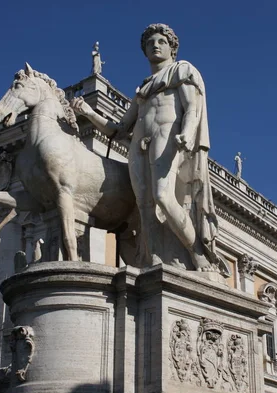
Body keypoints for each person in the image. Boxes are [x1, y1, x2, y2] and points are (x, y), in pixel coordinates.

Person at [71, 24, 217, 271]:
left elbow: (192, 107)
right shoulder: (144, 89)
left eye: (161, 41)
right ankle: (153, 260)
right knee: (145, 207)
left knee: (162, 195)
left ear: (172, 48)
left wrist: (188, 133)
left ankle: (197, 254)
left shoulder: (181, 71)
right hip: (139, 145)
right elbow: (119, 129)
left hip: (168, 135)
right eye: (150, 43)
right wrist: (88, 112)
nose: (155, 45)